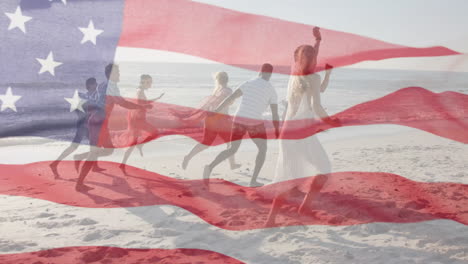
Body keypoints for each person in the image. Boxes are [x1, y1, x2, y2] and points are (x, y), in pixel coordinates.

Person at [265, 28, 339, 226]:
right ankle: (304, 207)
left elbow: (318, 87)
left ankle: (271, 219)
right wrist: (332, 121)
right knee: (324, 168)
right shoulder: (312, 78)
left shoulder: (294, 76)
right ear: (313, 59)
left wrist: (318, 41)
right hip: (303, 133)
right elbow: (316, 105)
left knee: (287, 175)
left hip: (287, 133)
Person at [75, 64, 151, 192]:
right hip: (98, 122)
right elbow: (123, 103)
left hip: (100, 122)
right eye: (118, 72)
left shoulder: (103, 85)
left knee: (109, 150)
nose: (120, 74)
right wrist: (141, 107)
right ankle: (79, 183)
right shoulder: (111, 86)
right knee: (94, 153)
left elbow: (94, 99)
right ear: (112, 74)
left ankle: (87, 161)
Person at [203, 64, 280, 187]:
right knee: (262, 149)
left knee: (232, 149)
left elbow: (230, 98)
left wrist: (216, 110)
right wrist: (277, 129)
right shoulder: (271, 89)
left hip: (239, 119)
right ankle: (253, 181)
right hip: (255, 122)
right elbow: (275, 113)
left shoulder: (248, 83)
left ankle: (209, 166)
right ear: (270, 74)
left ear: (259, 71)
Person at [180, 72, 241, 171]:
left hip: (210, 120)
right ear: (227, 79)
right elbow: (230, 102)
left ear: (218, 80)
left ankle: (188, 156)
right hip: (222, 121)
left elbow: (207, 106)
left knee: (206, 143)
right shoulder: (228, 90)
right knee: (231, 143)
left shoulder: (216, 92)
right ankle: (232, 164)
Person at [49, 77, 104, 178]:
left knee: (95, 145)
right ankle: (54, 164)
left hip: (87, 125)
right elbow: (79, 110)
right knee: (74, 146)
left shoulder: (91, 96)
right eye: (94, 84)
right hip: (84, 126)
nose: (96, 85)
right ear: (90, 86)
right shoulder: (86, 97)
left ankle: (95, 166)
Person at [119, 74, 164, 174]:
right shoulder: (139, 91)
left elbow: (143, 102)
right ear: (142, 82)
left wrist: (157, 98)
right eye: (148, 82)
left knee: (133, 143)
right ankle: (140, 145)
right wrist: (148, 106)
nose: (150, 84)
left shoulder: (140, 91)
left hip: (138, 118)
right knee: (155, 132)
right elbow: (140, 104)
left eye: (150, 82)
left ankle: (122, 164)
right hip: (138, 120)